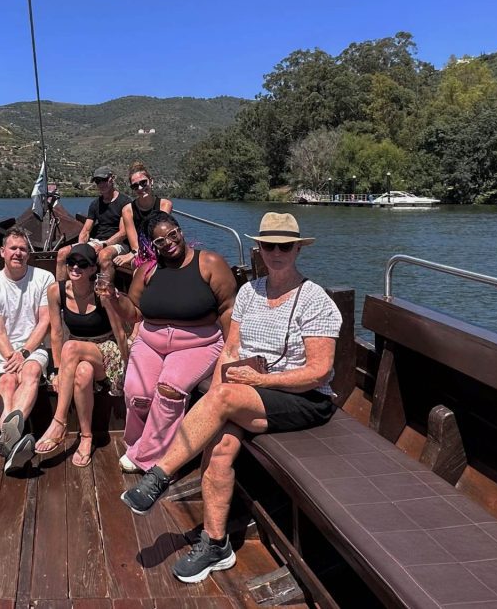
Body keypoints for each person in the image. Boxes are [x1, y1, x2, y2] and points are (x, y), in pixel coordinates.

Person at [120, 213, 342, 584]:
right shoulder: (250, 293)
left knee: (220, 400)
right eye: (269, 245)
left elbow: (319, 371)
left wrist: (257, 380)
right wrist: (230, 379)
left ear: (298, 249)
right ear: (259, 249)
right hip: (249, 395)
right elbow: (230, 349)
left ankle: (159, 476)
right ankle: (216, 544)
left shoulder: (314, 300)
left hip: (303, 399)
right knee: (220, 448)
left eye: (284, 245)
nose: (276, 252)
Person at [103, 211, 235, 474]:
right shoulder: (147, 270)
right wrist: (115, 297)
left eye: (172, 235)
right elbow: (135, 312)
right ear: (153, 247)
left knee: (169, 389)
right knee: (137, 392)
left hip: (197, 343)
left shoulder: (209, 262)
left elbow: (229, 309)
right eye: (160, 241)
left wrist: (230, 353)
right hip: (151, 341)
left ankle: (148, 458)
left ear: (180, 231)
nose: (168, 243)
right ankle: (137, 443)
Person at [34, 244, 126, 466]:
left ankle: (60, 420)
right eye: (71, 262)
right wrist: (57, 372)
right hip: (77, 355)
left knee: (71, 347)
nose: (75, 267)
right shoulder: (56, 291)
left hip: (106, 351)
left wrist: (128, 367)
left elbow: (120, 332)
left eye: (83, 264)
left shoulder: (102, 292)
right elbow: (56, 333)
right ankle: (86, 437)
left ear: (93, 269)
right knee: (82, 373)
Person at [0, 226, 54, 474]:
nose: (18, 253)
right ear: (2, 252)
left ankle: (7, 442)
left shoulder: (44, 278)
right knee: (7, 382)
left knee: (31, 372)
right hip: (1, 349)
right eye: (13, 248)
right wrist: (13, 356)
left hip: (33, 346)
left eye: (23, 249)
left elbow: (45, 321)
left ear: (29, 254)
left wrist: (24, 353)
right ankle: (14, 445)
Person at [55, 166, 131, 281]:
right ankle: (61, 293)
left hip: (118, 244)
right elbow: (86, 230)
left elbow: (123, 233)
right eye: (97, 181)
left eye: (103, 180)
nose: (101, 184)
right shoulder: (95, 204)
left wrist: (104, 245)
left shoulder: (125, 202)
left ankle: (104, 293)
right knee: (62, 253)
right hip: (96, 242)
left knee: (104, 256)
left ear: (112, 179)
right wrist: (81, 247)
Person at [116, 162, 173, 268]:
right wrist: (135, 253)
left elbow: (160, 235)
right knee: (143, 265)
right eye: (135, 186)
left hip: (160, 247)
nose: (140, 188)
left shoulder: (165, 205)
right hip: (139, 253)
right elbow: (135, 246)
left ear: (151, 181)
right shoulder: (127, 210)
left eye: (143, 182)